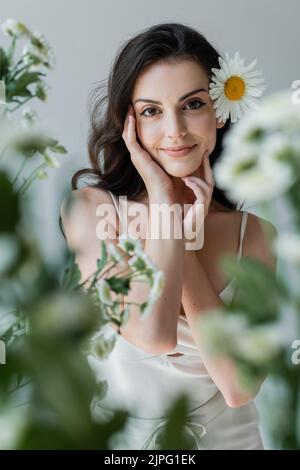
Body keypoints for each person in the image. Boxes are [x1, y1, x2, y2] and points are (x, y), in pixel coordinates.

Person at [60, 22, 277, 450]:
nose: (175, 129)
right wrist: (162, 203)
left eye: (192, 104)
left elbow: (239, 386)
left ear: (219, 109)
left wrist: (180, 242)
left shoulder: (253, 235)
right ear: (130, 123)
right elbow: (153, 332)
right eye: (152, 111)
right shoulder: (91, 211)